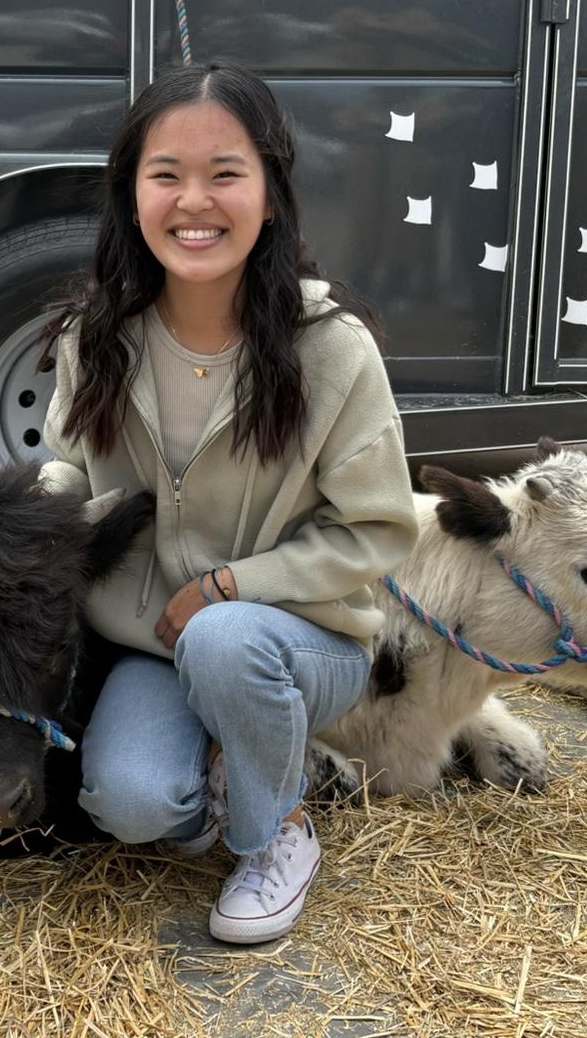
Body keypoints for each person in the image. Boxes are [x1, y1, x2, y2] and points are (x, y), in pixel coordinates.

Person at [40, 61, 419, 944]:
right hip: (154, 643)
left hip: (301, 641)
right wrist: (30, 512)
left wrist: (229, 586)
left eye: (225, 174)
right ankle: (225, 764)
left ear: (272, 194)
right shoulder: (96, 338)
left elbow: (380, 527)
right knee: (130, 805)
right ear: (132, 195)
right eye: (165, 174)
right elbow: (65, 469)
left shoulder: (332, 351)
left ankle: (273, 832)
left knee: (225, 640)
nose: (194, 201)